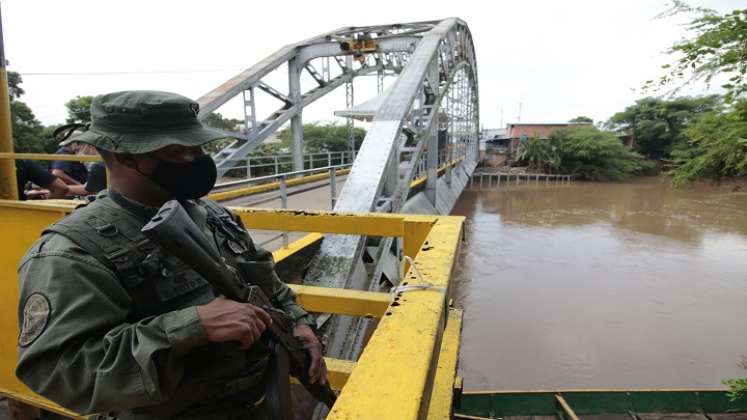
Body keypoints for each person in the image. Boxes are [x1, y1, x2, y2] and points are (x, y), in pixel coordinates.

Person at [16, 91, 327, 419]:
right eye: (179, 151)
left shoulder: (216, 217)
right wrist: (191, 325)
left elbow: (269, 284)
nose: (198, 160)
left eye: (199, 147)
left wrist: (298, 323)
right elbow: (58, 372)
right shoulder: (72, 252)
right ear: (125, 156)